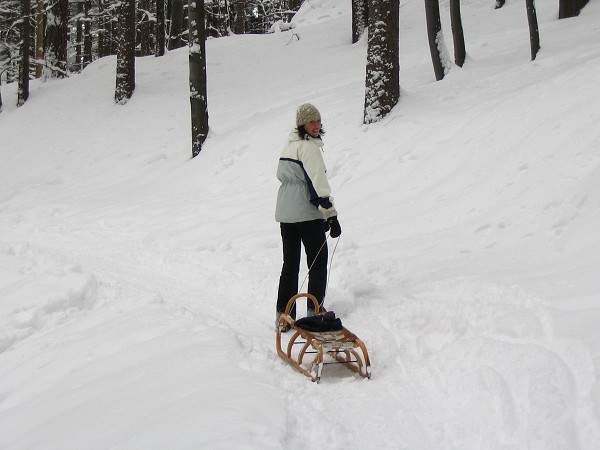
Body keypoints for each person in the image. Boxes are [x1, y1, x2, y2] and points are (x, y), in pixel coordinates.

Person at [275, 103, 342, 329]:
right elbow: (318, 184)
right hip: (306, 213)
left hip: (286, 214)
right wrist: (330, 215)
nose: (315, 125)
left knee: (290, 264)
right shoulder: (309, 148)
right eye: (311, 121)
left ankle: (284, 315)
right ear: (301, 124)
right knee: (318, 260)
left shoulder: (289, 147)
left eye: (318, 121)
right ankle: (315, 309)